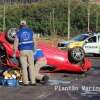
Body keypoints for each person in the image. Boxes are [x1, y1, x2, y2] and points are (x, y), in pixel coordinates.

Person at [13, 20, 36, 86]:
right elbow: (34, 41)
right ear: (26, 25)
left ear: (20, 25)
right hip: (30, 51)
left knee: (24, 67)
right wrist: (34, 50)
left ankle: (25, 82)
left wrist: (14, 52)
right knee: (32, 66)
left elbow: (16, 43)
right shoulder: (31, 31)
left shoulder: (18, 32)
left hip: (22, 51)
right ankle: (33, 82)